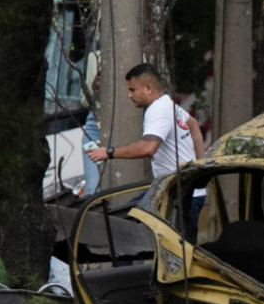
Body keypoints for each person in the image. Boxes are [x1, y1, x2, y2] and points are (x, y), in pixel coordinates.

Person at [86, 63, 205, 230]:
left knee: (180, 251)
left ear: (148, 88)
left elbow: (148, 147)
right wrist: (201, 165)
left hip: (183, 196)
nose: (129, 95)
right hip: (172, 191)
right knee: (127, 220)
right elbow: (193, 125)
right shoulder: (167, 104)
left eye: (132, 90)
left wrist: (109, 152)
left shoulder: (157, 110)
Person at [79, 49, 101, 196]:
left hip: (124, 124)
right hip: (94, 126)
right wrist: (94, 87)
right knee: (92, 189)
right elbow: (85, 101)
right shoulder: (95, 56)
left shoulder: (135, 53)